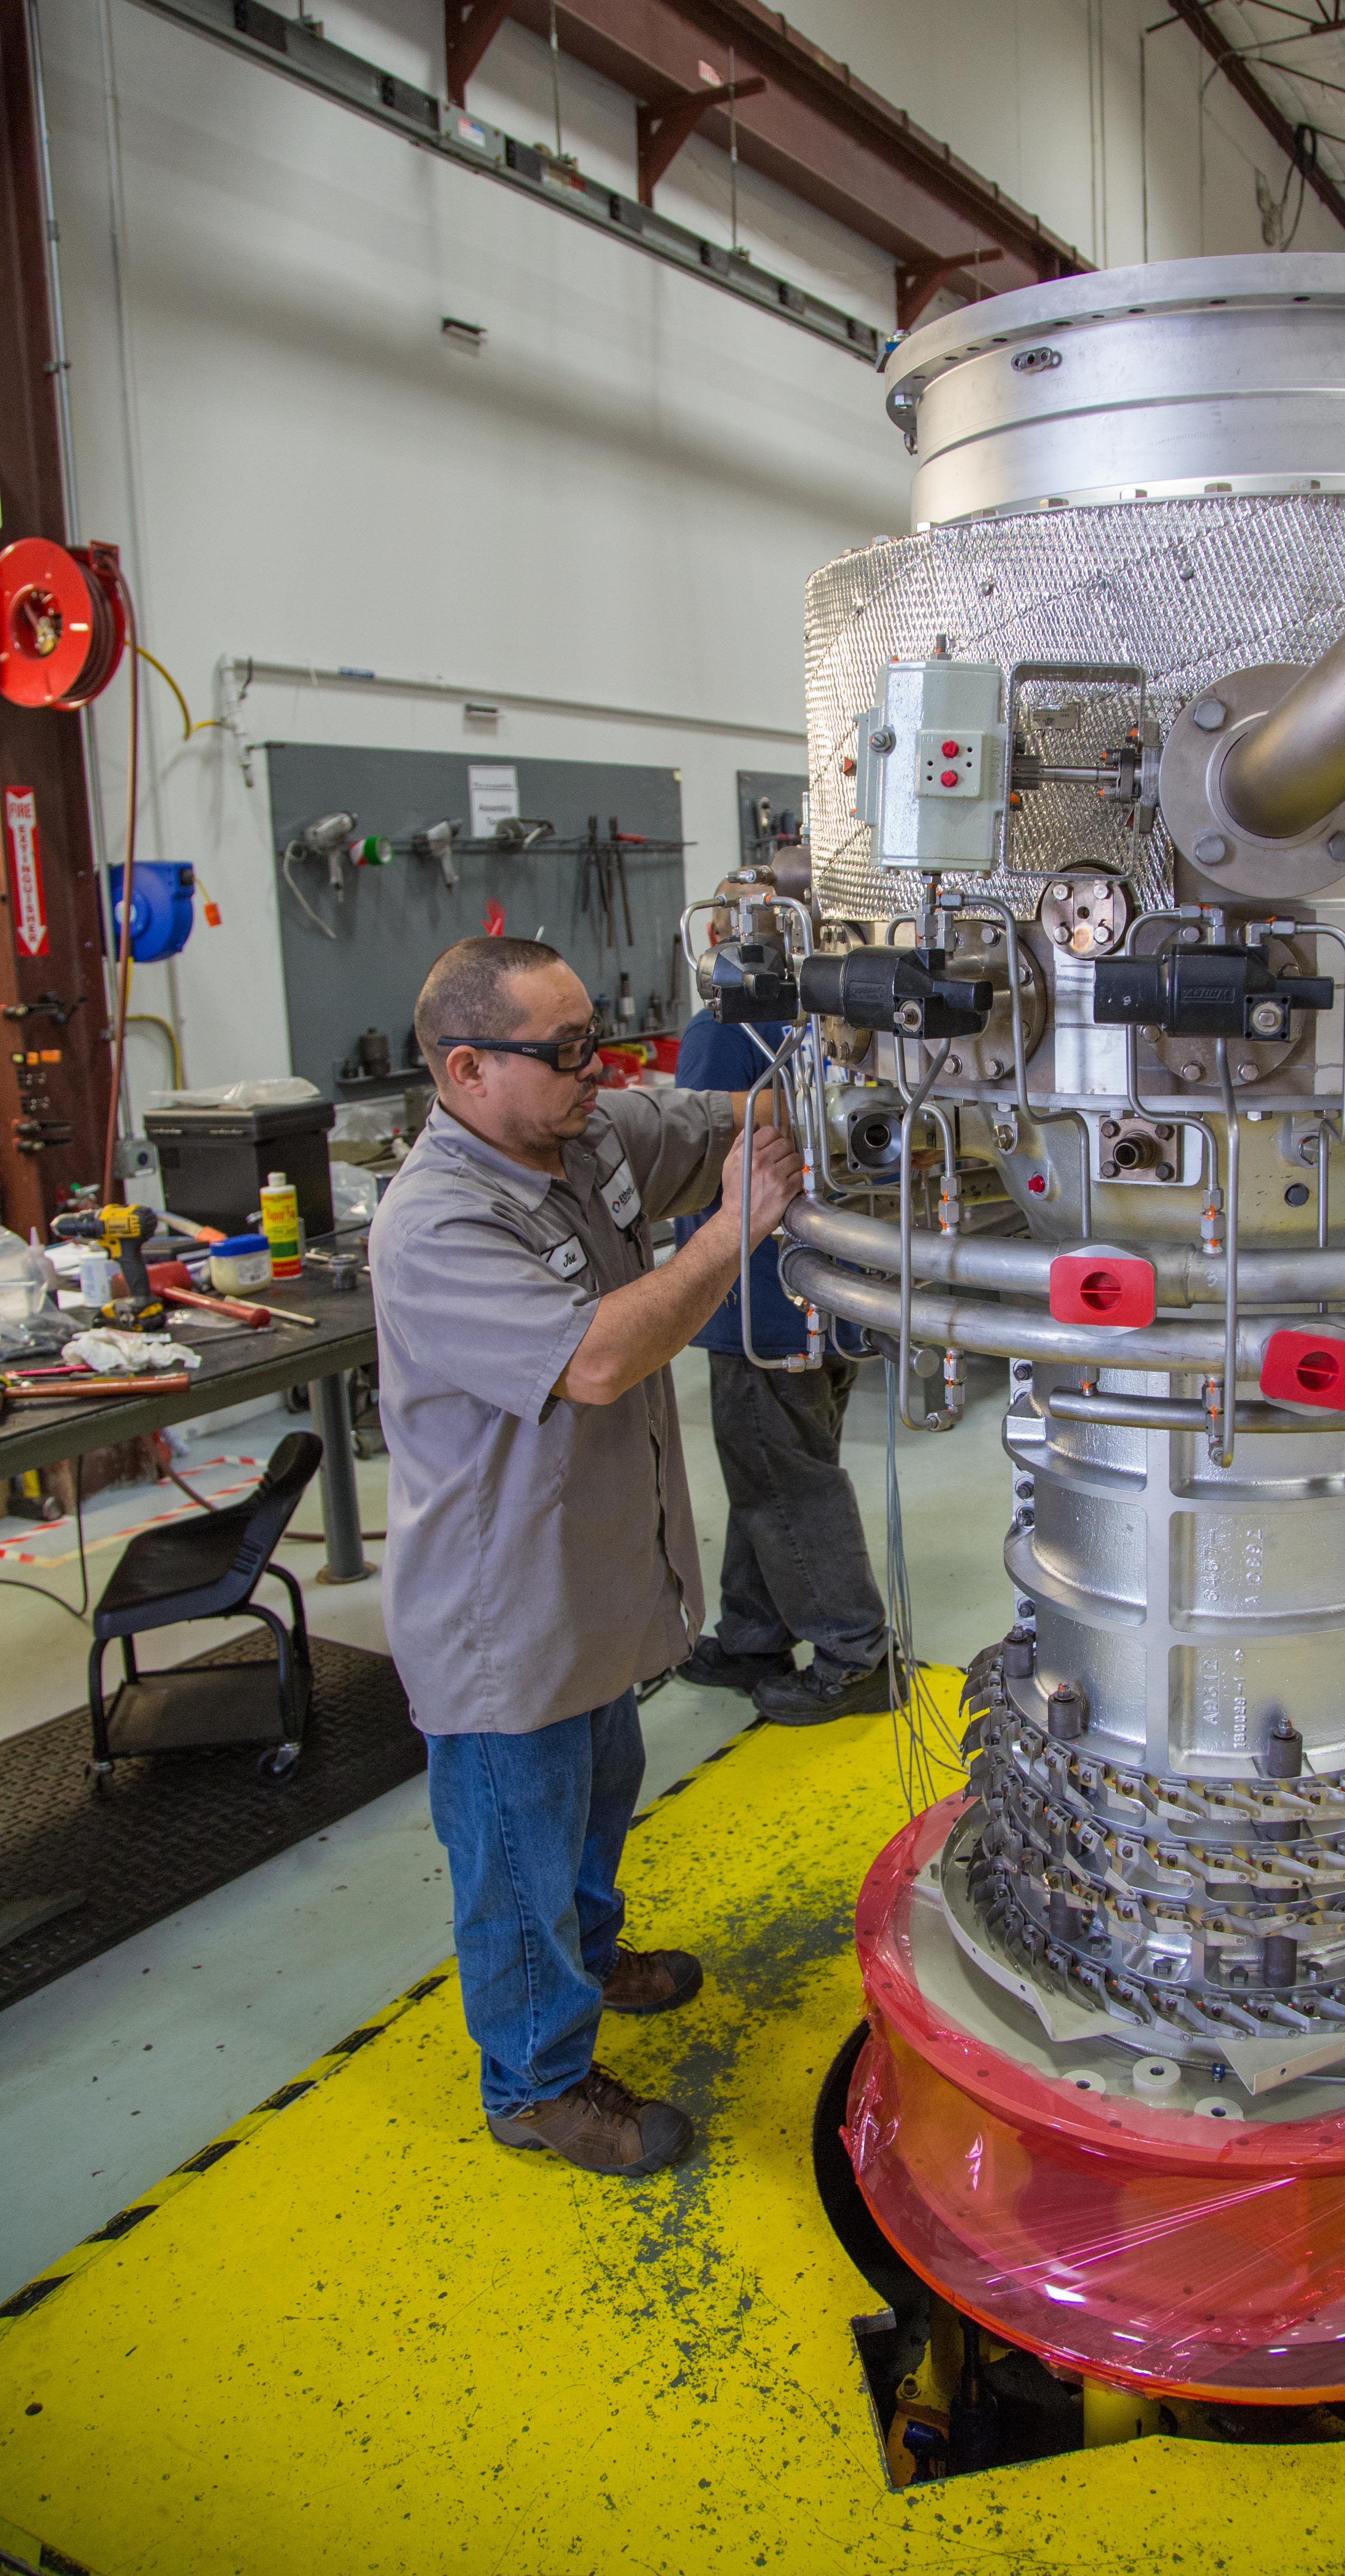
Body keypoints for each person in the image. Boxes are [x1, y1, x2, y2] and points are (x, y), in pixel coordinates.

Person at [368, 935, 801, 2182]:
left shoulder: (582, 1135)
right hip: (503, 1617)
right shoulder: (436, 1223)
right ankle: (538, 2085)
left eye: (594, 1039)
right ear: (466, 1070)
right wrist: (729, 1233)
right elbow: (597, 1360)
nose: (595, 1068)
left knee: (599, 1798)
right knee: (519, 1856)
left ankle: (592, 1957)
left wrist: (824, 1089)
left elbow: (716, 1120)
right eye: (564, 1052)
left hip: (594, 1586)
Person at [672, 909, 890, 1727]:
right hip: (827, 1288)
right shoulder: (836, 1023)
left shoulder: (720, 1029)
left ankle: (855, 1655)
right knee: (771, 1468)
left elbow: (686, 1153)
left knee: (783, 1480)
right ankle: (753, 1636)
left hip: (754, 1299)